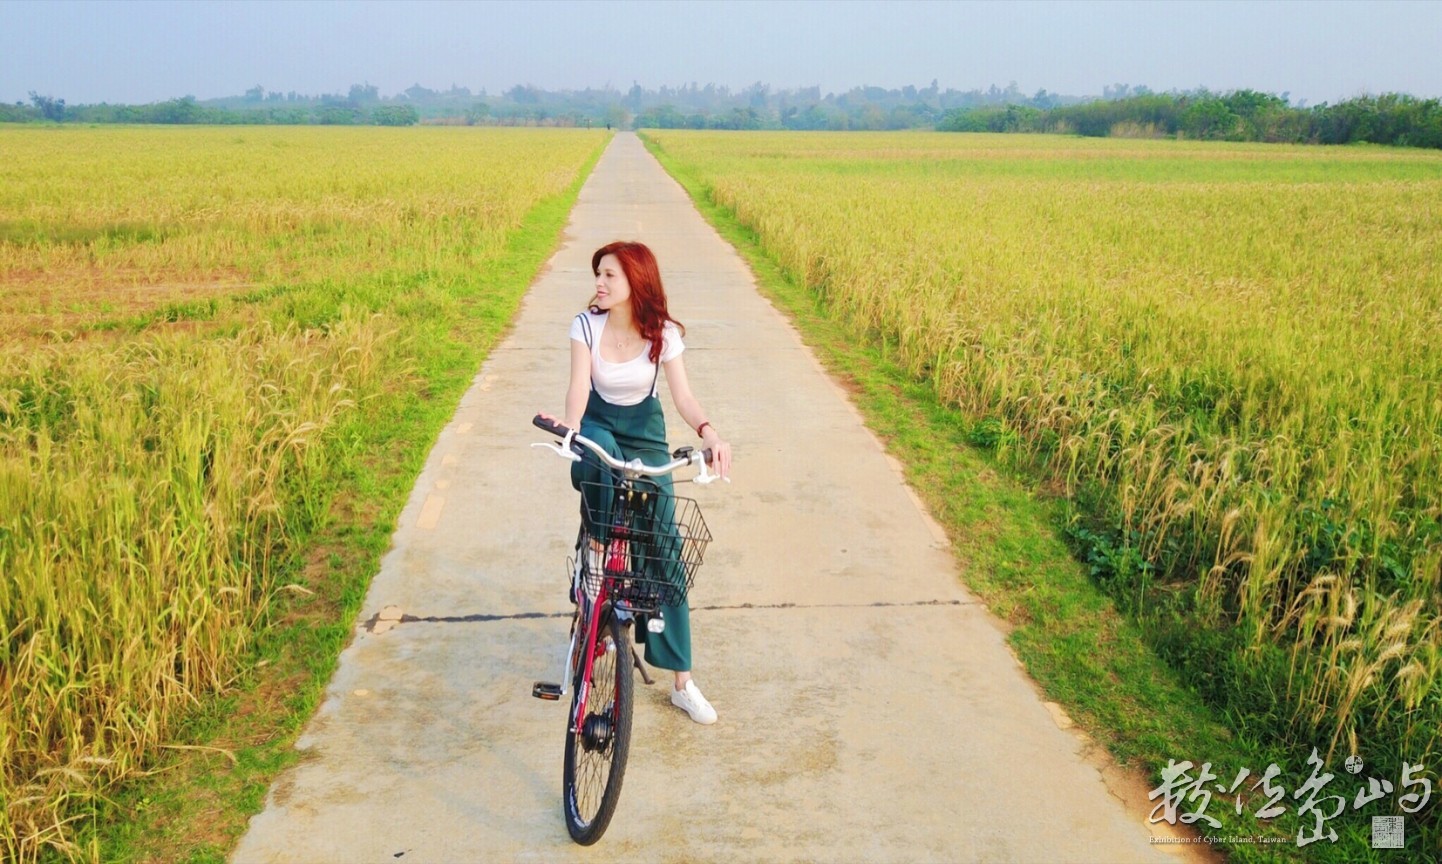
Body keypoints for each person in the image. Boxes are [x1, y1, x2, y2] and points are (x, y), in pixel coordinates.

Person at [541, 240, 732, 725]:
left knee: (666, 542)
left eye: (610, 276)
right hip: (600, 421)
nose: (599, 284)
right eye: (598, 275)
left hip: (645, 429)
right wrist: (569, 430)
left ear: (635, 283)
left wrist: (708, 432)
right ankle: (600, 556)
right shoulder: (586, 325)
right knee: (598, 465)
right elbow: (579, 387)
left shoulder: (662, 334)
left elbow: (683, 397)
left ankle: (682, 683)